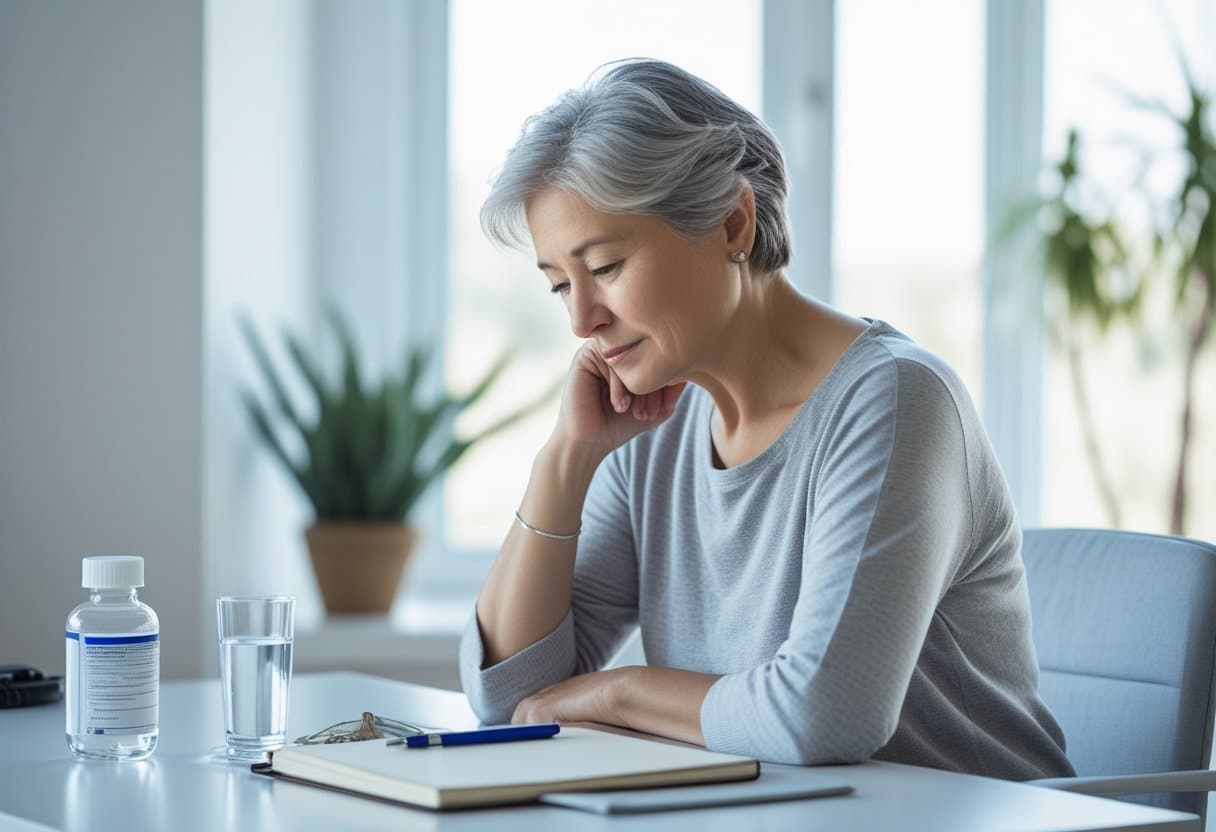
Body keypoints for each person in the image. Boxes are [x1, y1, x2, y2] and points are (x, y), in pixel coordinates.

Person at [458, 58, 1075, 780]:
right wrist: (566, 460)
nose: (582, 320)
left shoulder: (896, 402)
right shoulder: (651, 427)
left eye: (607, 267)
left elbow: (825, 714)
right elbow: (509, 696)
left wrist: (618, 690)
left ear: (731, 221)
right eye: (561, 284)